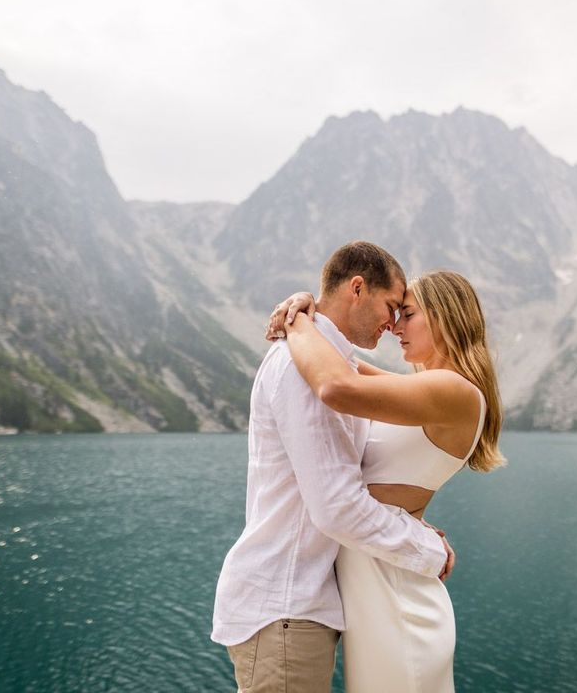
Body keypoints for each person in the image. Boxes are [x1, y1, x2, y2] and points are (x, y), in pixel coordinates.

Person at [212, 241, 456, 693]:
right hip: (285, 607)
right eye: (390, 306)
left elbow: (349, 483)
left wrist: (302, 313)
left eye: (404, 314)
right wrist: (429, 551)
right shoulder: (304, 368)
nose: (393, 323)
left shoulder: (325, 360)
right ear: (357, 288)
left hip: (295, 608)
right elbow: (336, 506)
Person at [267, 268, 505, 693]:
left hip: (397, 596)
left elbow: (336, 386)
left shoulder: (456, 391)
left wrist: (298, 321)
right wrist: (312, 309)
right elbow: (344, 363)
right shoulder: (436, 388)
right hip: (379, 581)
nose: (394, 327)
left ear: (446, 317)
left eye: (407, 313)